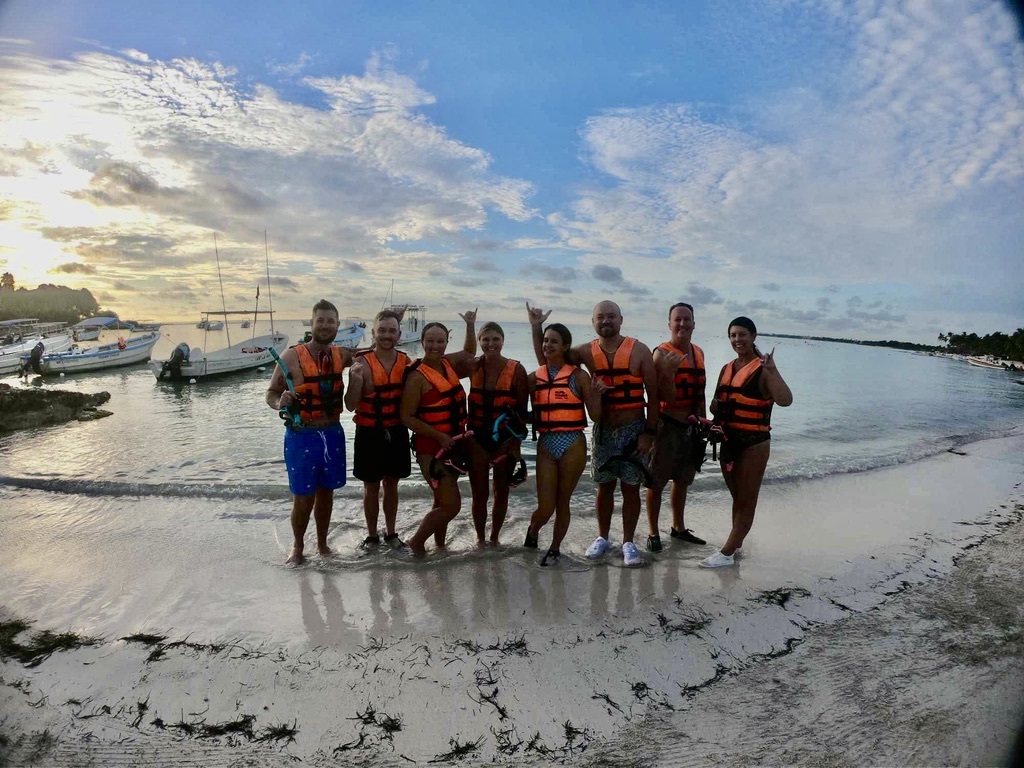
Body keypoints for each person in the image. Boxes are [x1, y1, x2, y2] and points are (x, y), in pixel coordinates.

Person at [528, 300, 660, 567]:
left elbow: (654, 395)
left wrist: (649, 433)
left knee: (631, 488)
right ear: (593, 322)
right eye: (601, 317)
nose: (606, 321)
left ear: (621, 320)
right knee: (604, 487)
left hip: (634, 429)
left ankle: (628, 542)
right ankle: (602, 537)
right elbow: (548, 361)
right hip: (603, 430)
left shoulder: (640, 350)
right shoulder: (584, 351)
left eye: (611, 316)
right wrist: (536, 327)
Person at [266, 299, 359, 565]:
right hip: (301, 434)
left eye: (331, 321)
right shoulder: (291, 357)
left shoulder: (342, 355)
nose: (325, 325)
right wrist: (280, 402)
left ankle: (322, 543)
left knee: (327, 493)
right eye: (321, 320)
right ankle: (297, 546)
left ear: (338, 325)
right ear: (312, 323)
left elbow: (375, 354)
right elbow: (271, 393)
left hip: (332, 432)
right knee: (303, 496)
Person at [700, 316, 793, 568]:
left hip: (754, 442)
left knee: (746, 499)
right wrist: (714, 413)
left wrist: (773, 370)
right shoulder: (726, 368)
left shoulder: (763, 368)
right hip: (728, 441)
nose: (737, 339)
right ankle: (736, 544)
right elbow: (717, 403)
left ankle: (726, 553)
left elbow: (785, 400)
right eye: (733, 335)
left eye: (742, 334)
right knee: (738, 498)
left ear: (753, 336)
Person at [523, 323, 601, 566]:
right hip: (546, 443)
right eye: (545, 340)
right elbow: (522, 413)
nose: (548, 345)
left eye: (554, 341)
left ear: (565, 346)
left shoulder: (579, 376)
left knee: (562, 501)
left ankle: (555, 548)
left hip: (573, 443)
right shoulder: (533, 378)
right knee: (546, 507)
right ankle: (533, 529)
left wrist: (597, 394)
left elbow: (596, 416)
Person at [400, 311, 478, 555]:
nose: (435, 346)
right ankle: (416, 543)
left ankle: (440, 547)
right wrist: (439, 437)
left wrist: (470, 324)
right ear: (422, 342)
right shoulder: (416, 377)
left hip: (454, 445)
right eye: (430, 341)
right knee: (452, 505)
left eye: (440, 341)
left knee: (440, 500)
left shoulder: (448, 364)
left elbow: (469, 353)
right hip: (430, 448)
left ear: (446, 342)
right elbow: (406, 417)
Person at [344, 310, 411, 549]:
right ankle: (372, 535)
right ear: (373, 332)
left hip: (397, 430)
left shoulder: (406, 362)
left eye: (392, 331)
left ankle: (391, 533)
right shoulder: (361, 362)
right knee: (371, 485)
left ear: (399, 335)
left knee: (392, 483)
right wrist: (355, 380)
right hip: (369, 431)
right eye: (382, 330)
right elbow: (350, 404)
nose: (386, 335)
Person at [645, 302, 708, 551]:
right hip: (667, 426)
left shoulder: (698, 352)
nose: (682, 323)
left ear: (694, 323)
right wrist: (669, 373)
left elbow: (700, 392)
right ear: (669, 324)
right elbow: (662, 397)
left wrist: (704, 421)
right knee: (656, 482)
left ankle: (678, 528)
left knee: (683, 480)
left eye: (687, 319)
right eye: (677, 319)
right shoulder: (661, 354)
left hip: (691, 428)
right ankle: (653, 532)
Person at [465, 322, 529, 546]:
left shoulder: (517, 370)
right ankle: (480, 539)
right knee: (479, 493)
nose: (490, 344)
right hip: (477, 437)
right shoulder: (473, 367)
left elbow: (521, 412)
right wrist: (469, 325)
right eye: (486, 339)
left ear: (503, 341)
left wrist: (516, 444)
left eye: (495, 339)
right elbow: (454, 362)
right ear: (479, 341)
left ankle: (494, 539)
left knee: (501, 491)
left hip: (506, 439)